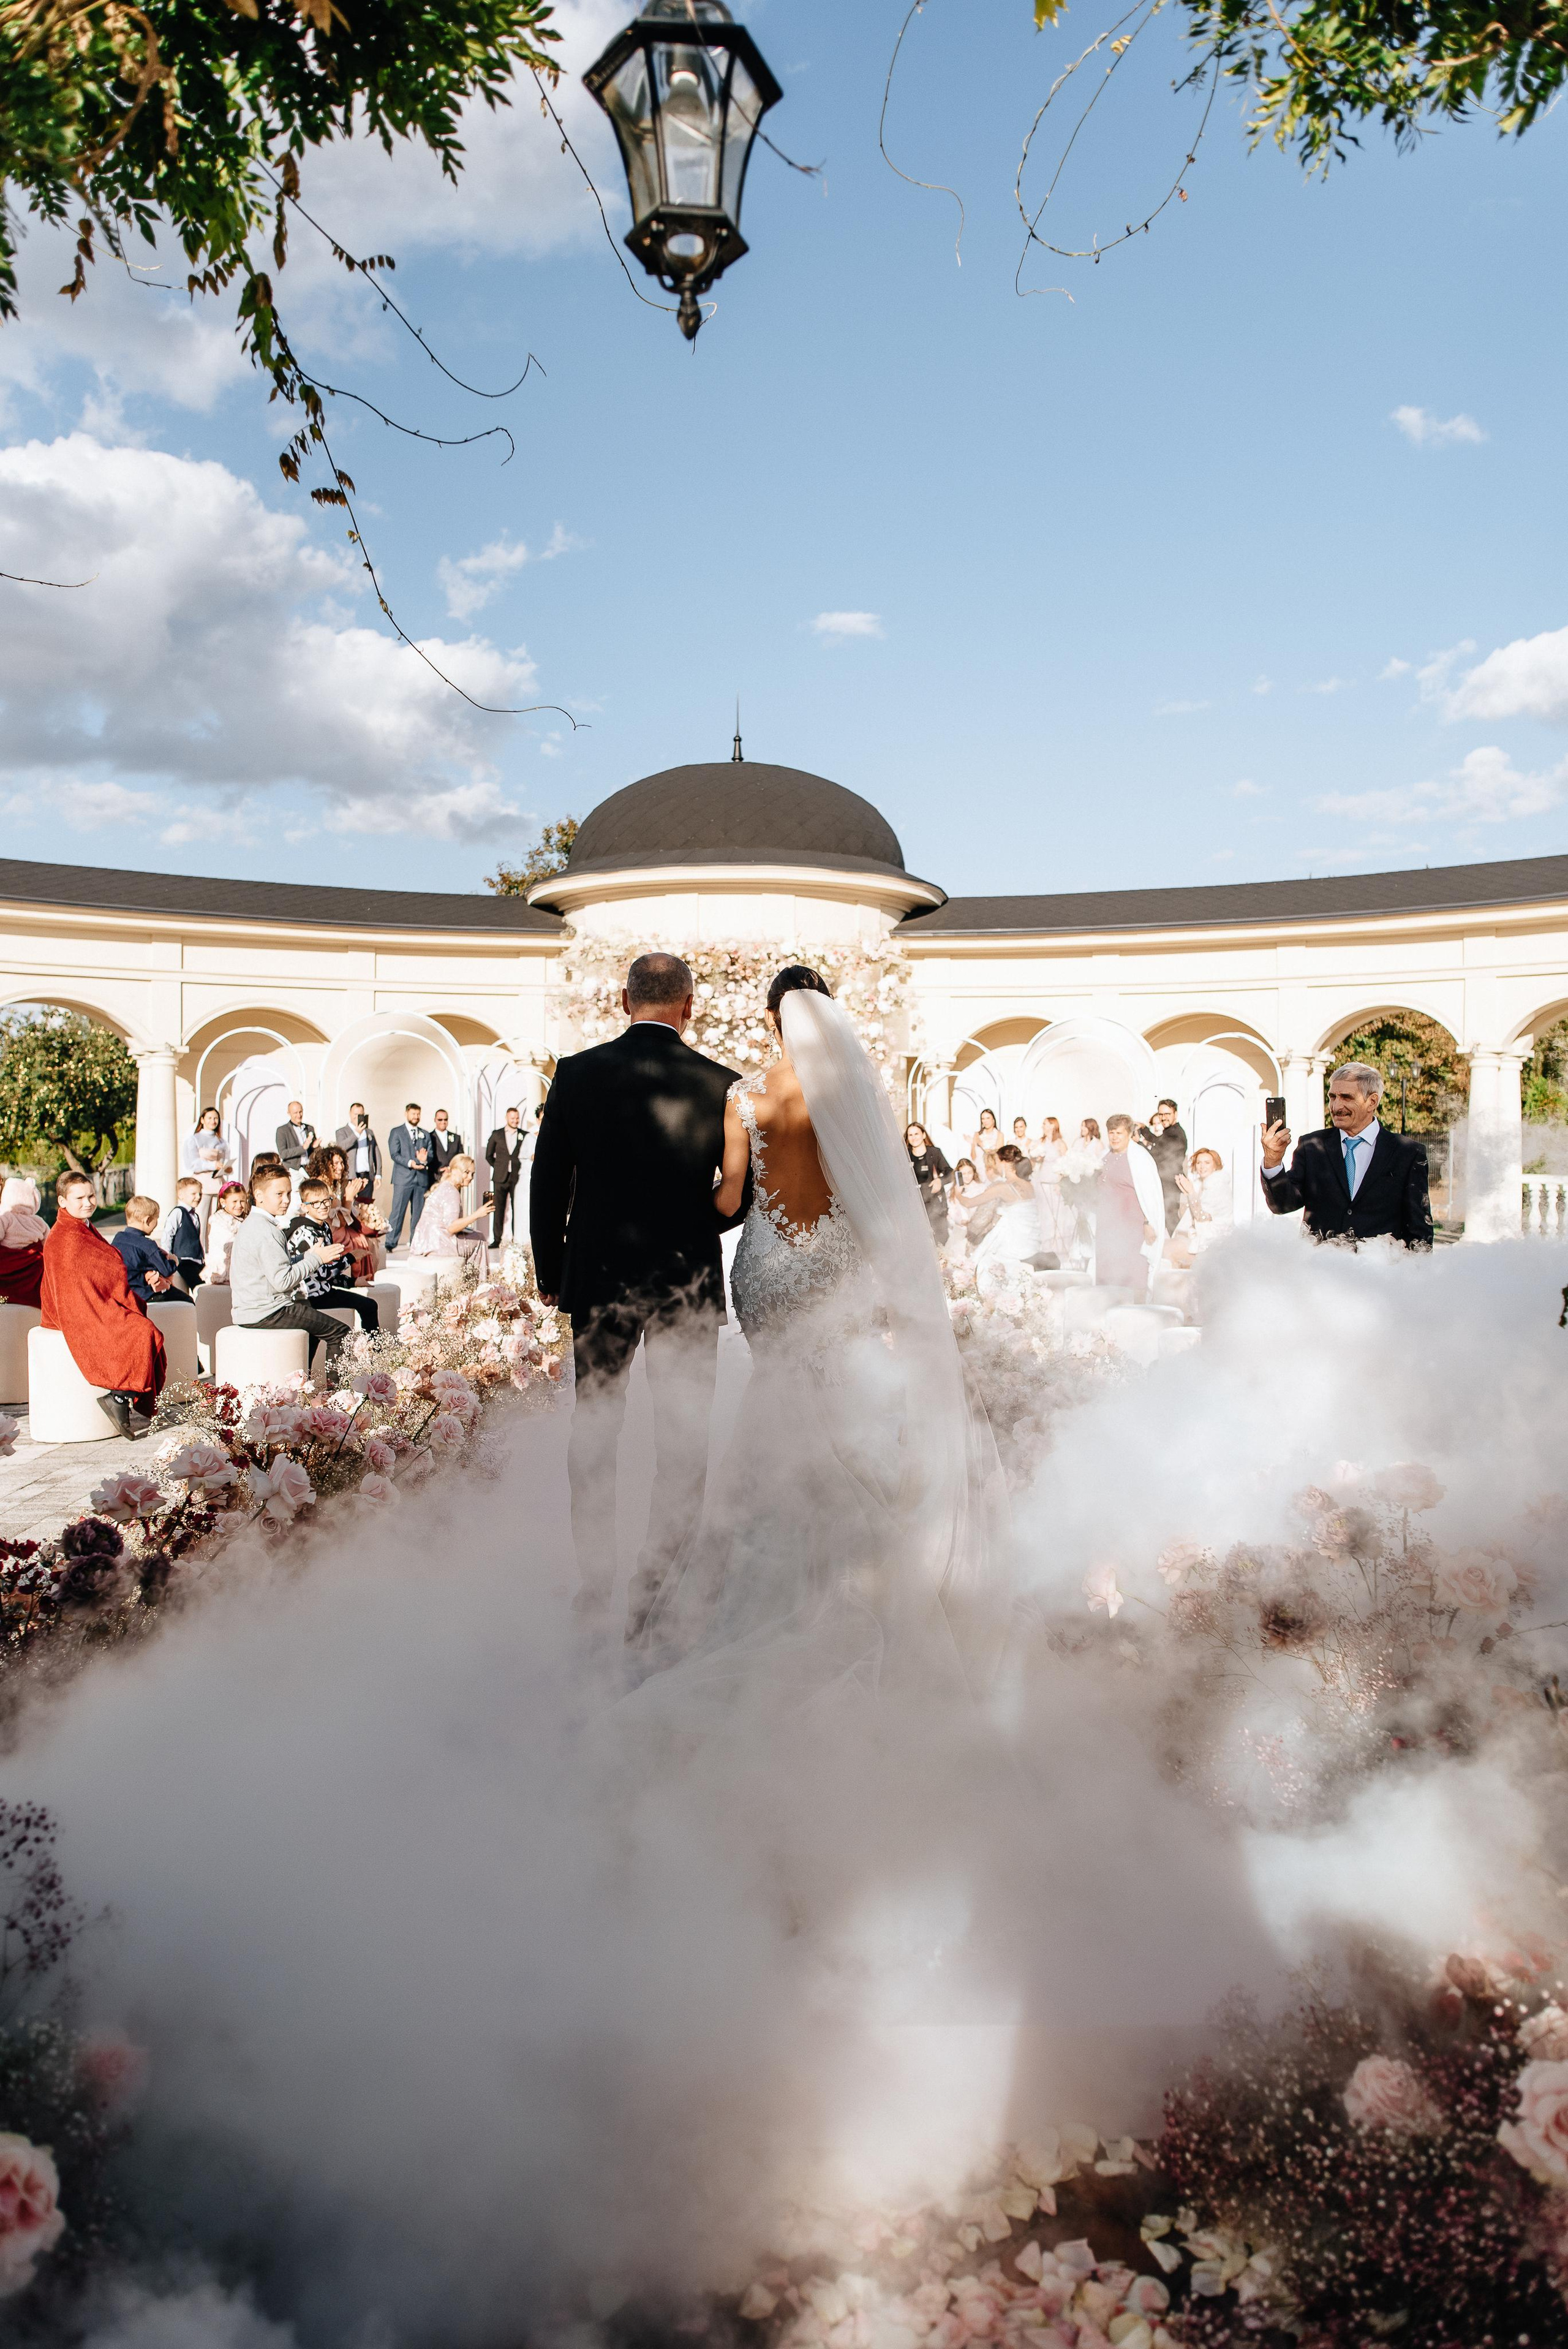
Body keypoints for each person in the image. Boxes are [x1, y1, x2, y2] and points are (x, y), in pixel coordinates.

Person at [636, 963, 1004, 1682]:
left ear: (773, 1021)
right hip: (835, 1265)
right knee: (842, 1410)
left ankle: (758, 1577)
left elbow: (729, 1199)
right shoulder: (857, 1096)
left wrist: (673, 1196)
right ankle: (862, 1572)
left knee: (775, 1402)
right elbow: (881, 1200)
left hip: (765, 1271)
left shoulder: (745, 1095)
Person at [530, 951, 744, 1632]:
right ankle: (657, 1585)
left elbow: (546, 1183)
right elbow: (738, 1200)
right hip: (685, 1274)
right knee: (682, 1433)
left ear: (625, 1002)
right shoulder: (721, 1083)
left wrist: (552, 1270)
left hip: (596, 1275)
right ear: (689, 1005)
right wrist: (691, 1217)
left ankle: (595, 1580)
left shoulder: (576, 1074)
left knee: (595, 1425)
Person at [40, 1170, 165, 1437]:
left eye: (92, 1196)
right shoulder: (65, 1236)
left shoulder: (81, 1225)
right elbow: (85, 1274)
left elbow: (103, 1265)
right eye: (80, 1198)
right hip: (76, 1306)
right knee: (142, 1332)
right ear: (62, 1201)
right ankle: (120, 1397)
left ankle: (120, 1397)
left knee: (145, 1330)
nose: (88, 1202)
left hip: (94, 1297)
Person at [1261, 1061, 1432, 1247]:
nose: (1336, 1106)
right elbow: (1282, 1205)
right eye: (1332, 1097)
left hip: (1382, 1272)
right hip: (1319, 1270)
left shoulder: (1408, 1153)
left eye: (1346, 1097)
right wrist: (1273, 1160)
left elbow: (1419, 1230)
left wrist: (1417, 1273)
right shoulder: (1311, 1146)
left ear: (1372, 1101)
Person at [228, 1165, 353, 1377]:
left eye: (288, 1194)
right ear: (259, 1195)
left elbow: (272, 1266)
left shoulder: (255, 1224)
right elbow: (283, 1281)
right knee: (340, 1332)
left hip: (254, 1309)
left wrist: (304, 1257)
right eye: (279, 1194)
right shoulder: (266, 1231)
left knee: (314, 1327)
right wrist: (316, 1259)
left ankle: (306, 1384)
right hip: (267, 1312)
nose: (286, 1200)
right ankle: (336, 1400)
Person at [285, 1180, 381, 1333]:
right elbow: (321, 1274)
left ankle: (373, 1352)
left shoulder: (323, 1227)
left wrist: (353, 1282)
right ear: (305, 1207)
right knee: (369, 1306)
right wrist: (350, 1258)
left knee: (369, 1305)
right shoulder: (306, 1233)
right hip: (308, 1297)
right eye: (315, 1203)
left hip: (323, 1291)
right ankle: (375, 1354)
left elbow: (327, 1272)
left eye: (326, 1201)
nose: (323, 1206)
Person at [1095, 1114, 1166, 1295]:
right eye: (1111, 1133)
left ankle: (1135, 1313)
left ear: (1128, 1134)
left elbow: (1150, 1196)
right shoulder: (1105, 1156)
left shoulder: (1140, 1159)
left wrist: (1148, 1223)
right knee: (1108, 1267)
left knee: (1132, 1269)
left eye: (1119, 1133)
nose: (1114, 1137)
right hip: (1108, 1223)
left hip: (1132, 1225)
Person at [969, 1143, 1046, 1285]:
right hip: (1030, 1240)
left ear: (1004, 1163)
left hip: (1015, 1241)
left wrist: (957, 1193)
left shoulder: (1004, 1187)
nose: (996, 1166)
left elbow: (969, 1203)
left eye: (997, 1162)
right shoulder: (1029, 1185)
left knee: (987, 1261)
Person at [410, 1152, 492, 1279]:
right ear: (455, 1171)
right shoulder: (451, 1192)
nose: (470, 1177)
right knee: (480, 1238)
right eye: (467, 1172)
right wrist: (477, 1214)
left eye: (473, 1174)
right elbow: (451, 1227)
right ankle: (479, 1288)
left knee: (473, 1235)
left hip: (425, 1243)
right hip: (439, 1244)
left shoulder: (444, 1187)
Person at [307, 1145, 379, 1286]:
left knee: (369, 1241)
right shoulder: (322, 1187)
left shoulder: (331, 1184)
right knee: (364, 1242)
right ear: (324, 1165)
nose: (340, 1167)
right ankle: (359, 1281)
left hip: (338, 1231)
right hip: (331, 1235)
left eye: (342, 1163)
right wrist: (349, 1198)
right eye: (335, 1163)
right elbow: (339, 1222)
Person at [112, 1196, 184, 1306]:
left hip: (123, 1293)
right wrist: (174, 1261)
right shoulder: (147, 1244)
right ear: (148, 1220)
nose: (157, 1223)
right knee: (187, 1301)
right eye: (157, 1219)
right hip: (144, 1294)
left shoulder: (118, 1238)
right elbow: (167, 1270)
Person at [1172, 1146, 1233, 1263]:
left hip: (1216, 1238)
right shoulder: (1199, 1185)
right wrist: (1187, 1193)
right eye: (1199, 1163)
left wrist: (1190, 1193)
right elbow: (1185, 1215)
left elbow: (1201, 1216)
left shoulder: (1218, 1185)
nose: (1202, 1166)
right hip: (1201, 1235)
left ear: (1215, 1166)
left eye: (1207, 1163)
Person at [1137, 1100, 1189, 1236]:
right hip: (1165, 1183)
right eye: (1161, 1114)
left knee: (1170, 1220)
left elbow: (1157, 1153)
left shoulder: (1175, 1134)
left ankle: (1179, 1251)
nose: (1164, 1117)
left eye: (1167, 1114)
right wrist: (1144, 1129)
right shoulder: (1170, 1132)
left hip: (1169, 1185)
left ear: (1175, 1114)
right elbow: (1158, 1143)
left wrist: (1139, 1143)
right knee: (1165, 1219)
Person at [182, 1107, 232, 1239]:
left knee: (216, 1221)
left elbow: (224, 1160)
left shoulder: (222, 1141)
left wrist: (227, 1168)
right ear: (203, 1120)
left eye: (216, 1118)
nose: (213, 1121)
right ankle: (201, 1252)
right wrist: (212, 1165)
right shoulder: (194, 1139)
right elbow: (192, 1164)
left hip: (218, 1183)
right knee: (201, 1219)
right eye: (209, 1118)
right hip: (203, 1184)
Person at [386, 1105, 431, 1251]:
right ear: (406, 1114)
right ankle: (391, 1242)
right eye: (413, 1114)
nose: (416, 1116)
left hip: (421, 1179)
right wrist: (411, 1163)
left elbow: (430, 1154)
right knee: (398, 1211)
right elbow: (394, 1154)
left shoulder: (425, 1134)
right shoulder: (397, 1132)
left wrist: (423, 1161)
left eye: (418, 1114)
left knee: (418, 1213)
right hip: (403, 1178)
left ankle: (416, 1242)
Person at [0, 1175, 47, 1307]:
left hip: (10, 1262)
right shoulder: (39, 1221)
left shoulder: (6, 1217)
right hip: (34, 1262)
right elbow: (48, 1243)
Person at [485, 1107, 527, 1248]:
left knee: (518, 1208)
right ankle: (497, 1239)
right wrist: (498, 1167)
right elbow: (489, 1155)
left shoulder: (524, 1135)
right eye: (512, 1118)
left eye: (517, 1118)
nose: (515, 1121)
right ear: (507, 1118)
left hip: (517, 1177)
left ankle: (518, 1238)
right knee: (498, 1208)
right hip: (500, 1177)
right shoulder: (497, 1134)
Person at [905, 1122, 952, 1246]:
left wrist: (940, 1181)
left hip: (934, 1203)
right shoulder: (905, 1155)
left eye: (916, 1134)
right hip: (914, 1203)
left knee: (939, 1238)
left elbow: (950, 1173)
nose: (914, 1137)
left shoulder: (934, 1153)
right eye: (910, 1135)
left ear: (923, 1135)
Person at [158, 1178, 206, 1292]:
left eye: (200, 1193)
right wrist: (168, 1257)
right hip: (184, 1261)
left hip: (196, 1260)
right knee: (199, 1287)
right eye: (194, 1194)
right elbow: (168, 1235)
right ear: (181, 1195)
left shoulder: (195, 1215)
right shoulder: (178, 1213)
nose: (198, 1197)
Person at [202, 1182, 250, 1285]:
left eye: (242, 1201)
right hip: (223, 1271)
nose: (239, 1205)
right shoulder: (219, 1221)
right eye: (235, 1201)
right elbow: (229, 1246)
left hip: (239, 1268)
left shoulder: (244, 1219)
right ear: (223, 1202)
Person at [334, 1103, 381, 1206]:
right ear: (350, 1114)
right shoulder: (341, 1132)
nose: (357, 1117)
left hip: (367, 1176)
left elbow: (376, 1152)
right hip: (350, 1176)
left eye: (361, 1114)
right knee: (348, 1205)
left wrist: (378, 1174)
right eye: (355, 1114)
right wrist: (356, 1134)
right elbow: (341, 1147)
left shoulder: (369, 1132)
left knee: (365, 1207)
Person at [274, 1102, 317, 1183]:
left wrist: (315, 1147)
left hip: (309, 1169)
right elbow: (283, 1154)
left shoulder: (309, 1128)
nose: (299, 1115)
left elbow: (313, 1150)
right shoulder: (282, 1131)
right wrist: (303, 1148)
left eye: (301, 1112)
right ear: (289, 1113)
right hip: (294, 1170)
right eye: (295, 1113)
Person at [427, 1110, 465, 1178]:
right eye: (440, 1120)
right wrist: (439, 1170)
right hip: (435, 1178)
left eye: (445, 1120)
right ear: (435, 1120)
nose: (443, 1122)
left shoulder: (456, 1138)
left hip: (453, 1178)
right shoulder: (429, 1137)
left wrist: (451, 1169)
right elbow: (427, 1159)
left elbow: (460, 1158)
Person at [970, 1108, 1005, 1175]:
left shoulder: (999, 1135)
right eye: (983, 1119)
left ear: (993, 1120)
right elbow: (973, 1157)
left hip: (992, 1171)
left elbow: (997, 1155)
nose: (985, 1121)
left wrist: (981, 1144)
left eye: (988, 1118)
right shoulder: (977, 1135)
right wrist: (973, 1144)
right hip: (978, 1169)